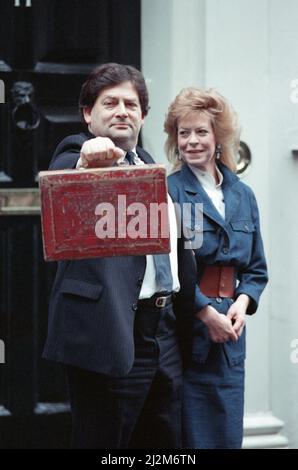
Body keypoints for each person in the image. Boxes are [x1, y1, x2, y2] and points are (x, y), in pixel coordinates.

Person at [43, 63, 190, 449]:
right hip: (109, 331)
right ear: (88, 114)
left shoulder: (153, 167)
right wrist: (89, 159)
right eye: (110, 103)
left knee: (163, 444)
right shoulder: (75, 152)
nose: (122, 111)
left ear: (143, 115)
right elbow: (64, 177)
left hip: (165, 332)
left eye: (131, 103)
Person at [165, 87, 268, 449]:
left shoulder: (243, 194)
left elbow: (256, 270)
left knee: (226, 434)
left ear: (218, 136)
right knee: (190, 436)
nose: (192, 141)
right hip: (189, 330)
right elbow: (170, 267)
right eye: (184, 133)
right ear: (175, 140)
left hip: (231, 332)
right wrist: (206, 314)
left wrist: (242, 304)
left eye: (201, 132)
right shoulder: (170, 191)